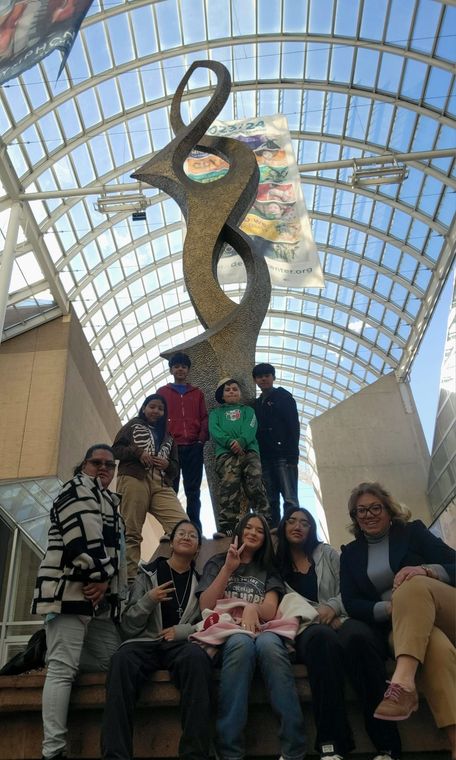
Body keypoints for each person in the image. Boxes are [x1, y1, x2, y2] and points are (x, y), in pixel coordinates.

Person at [340, 482, 456, 760]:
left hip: (444, 607)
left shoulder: (412, 532)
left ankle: (402, 682)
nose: (368, 515)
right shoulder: (350, 554)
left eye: (375, 507)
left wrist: (426, 570)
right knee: (434, 649)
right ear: (355, 518)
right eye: (361, 511)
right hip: (401, 628)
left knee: (411, 583)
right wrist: (386, 609)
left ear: (389, 509)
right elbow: (352, 602)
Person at [31, 444, 127, 760]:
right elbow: (84, 541)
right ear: (83, 465)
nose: (103, 468)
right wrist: (101, 577)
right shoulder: (75, 491)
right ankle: (53, 751)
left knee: (109, 662)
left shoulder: (108, 500)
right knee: (62, 671)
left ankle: (49, 649)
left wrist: (106, 584)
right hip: (69, 593)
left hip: (97, 601)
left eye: (109, 465)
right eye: (96, 462)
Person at [197, 512, 306, 760]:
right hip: (227, 632)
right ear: (239, 531)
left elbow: (269, 610)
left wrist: (249, 608)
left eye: (259, 530)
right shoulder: (217, 562)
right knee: (241, 643)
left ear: (266, 538)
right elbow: (206, 604)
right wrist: (228, 568)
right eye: (248, 528)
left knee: (270, 646)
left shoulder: (268, 569)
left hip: (264, 629)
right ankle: (230, 751)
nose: (253, 533)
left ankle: (294, 749)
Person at [101, 519, 213, 760]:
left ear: (198, 548)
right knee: (121, 660)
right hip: (145, 643)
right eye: (180, 533)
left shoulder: (202, 583)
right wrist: (148, 599)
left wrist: (181, 632)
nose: (186, 537)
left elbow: (207, 621)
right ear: (171, 542)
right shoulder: (147, 574)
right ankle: (115, 755)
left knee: (198, 659)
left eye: (192, 535)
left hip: (181, 646)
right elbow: (128, 625)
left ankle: (195, 754)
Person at [276, 506, 354, 760]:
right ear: (283, 527)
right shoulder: (275, 566)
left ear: (311, 529)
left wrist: (333, 607)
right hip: (305, 631)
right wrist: (319, 617)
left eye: (304, 523)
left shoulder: (327, 554)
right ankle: (331, 745)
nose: (297, 526)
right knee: (322, 639)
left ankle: (385, 743)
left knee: (360, 639)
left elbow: (351, 587)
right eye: (292, 521)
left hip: (341, 620)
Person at [113, 393, 186, 580]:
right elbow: (115, 450)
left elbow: (176, 467)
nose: (156, 411)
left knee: (183, 527)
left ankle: (174, 574)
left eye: (160, 408)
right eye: (152, 406)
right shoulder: (133, 425)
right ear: (144, 408)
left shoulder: (169, 437)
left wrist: (167, 465)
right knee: (131, 531)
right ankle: (128, 582)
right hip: (134, 477)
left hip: (160, 482)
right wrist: (137, 452)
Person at [209, 378, 271, 538]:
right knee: (229, 486)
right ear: (222, 395)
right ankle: (227, 525)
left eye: (235, 389)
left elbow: (251, 426)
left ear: (240, 393)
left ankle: (264, 521)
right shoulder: (216, 413)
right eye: (227, 389)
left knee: (255, 483)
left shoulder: (248, 411)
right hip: (225, 454)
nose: (231, 391)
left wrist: (242, 441)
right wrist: (230, 442)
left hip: (249, 452)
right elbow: (215, 430)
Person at [157, 352, 208, 533]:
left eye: (183, 366)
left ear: (188, 370)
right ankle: (170, 529)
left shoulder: (197, 393)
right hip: (173, 449)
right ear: (171, 370)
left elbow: (204, 418)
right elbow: (158, 417)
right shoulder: (163, 392)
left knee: (193, 491)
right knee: (171, 489)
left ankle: (195, 528)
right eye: (176, 366)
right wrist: (164, 442)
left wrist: (201, 441)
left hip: (194, 447)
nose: (180, 369)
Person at [252, 362, 300, 527]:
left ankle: (291, 530)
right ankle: (273, 533)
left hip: (284, 455)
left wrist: (293, 454)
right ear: (255, 380)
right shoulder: (256, 404)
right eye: (259, 376)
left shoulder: (283, 397)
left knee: (289, 497)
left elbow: (293, 425)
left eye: (267, 375)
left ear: (273, 377)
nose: (263, 379)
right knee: (270, 498)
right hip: (265, 457)